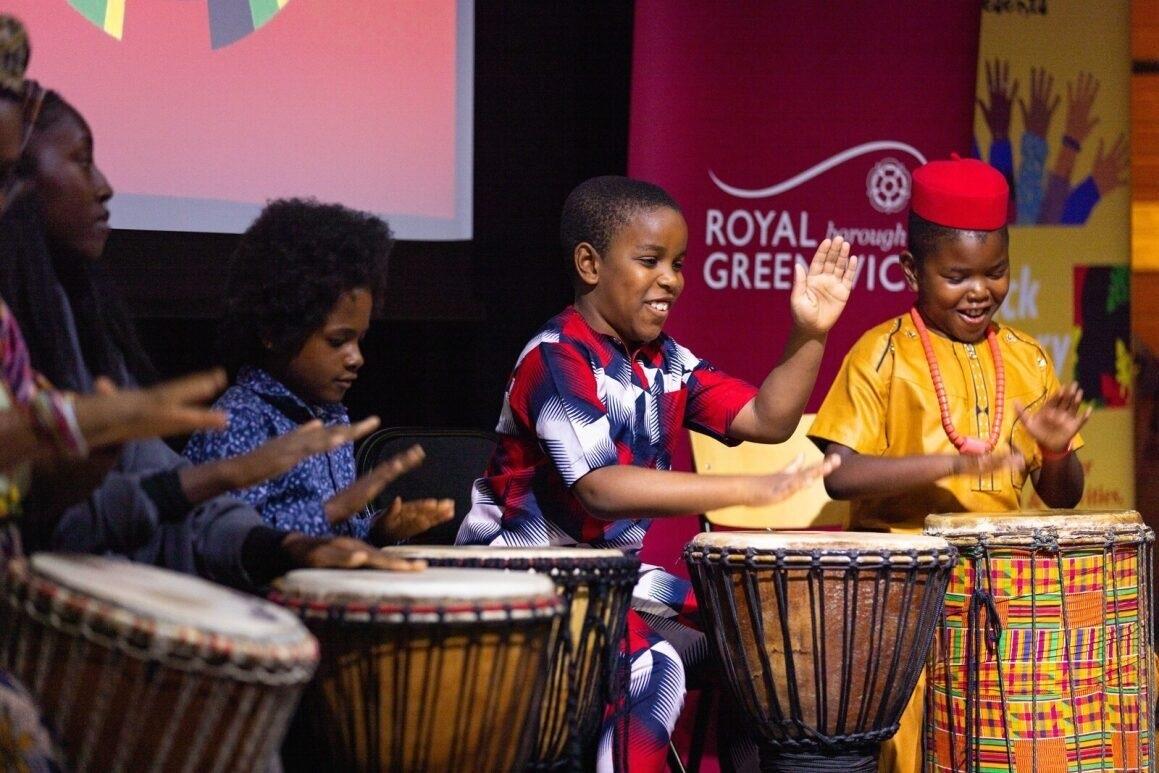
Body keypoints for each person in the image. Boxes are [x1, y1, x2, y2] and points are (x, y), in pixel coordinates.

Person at [456, 175, 854, 772]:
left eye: (678, 263)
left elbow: (769, 419)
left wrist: (811, 332)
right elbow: (601, 487)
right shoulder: (554, 357)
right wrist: (747, 488)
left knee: (759, 636)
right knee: (654, 671)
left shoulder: (666, 362)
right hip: (521, 576)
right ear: (589, 264)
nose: (671, 279)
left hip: (610, 578)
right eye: (650, 261)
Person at [0, 87, 425, 590]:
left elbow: (172, 511)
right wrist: (231, 476)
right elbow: (68, 524)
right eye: (82, 160)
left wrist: (287, 546)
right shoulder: (239, 419)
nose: (105, 186)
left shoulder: (78, 326)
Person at [807, 155, 1089, 773]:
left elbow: (1062, 497)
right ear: (912, 269)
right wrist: (951, 468)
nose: (979, 290)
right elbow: (840, 474)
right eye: (957, 275)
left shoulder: (1027, 358)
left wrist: (1056, 450)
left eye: (995, 272)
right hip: (902, 596)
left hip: (1008, 599)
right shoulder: (881, 353)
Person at [183, 198, 453, 543]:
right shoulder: (238, 423)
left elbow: (339, 532)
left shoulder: (330, 417)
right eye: (338, 340)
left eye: (360, 340)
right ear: (274, 330)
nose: (356, 358)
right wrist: (328, 515)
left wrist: (378, 531)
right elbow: (229, 544)